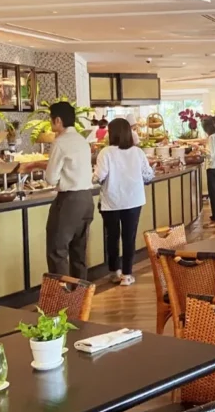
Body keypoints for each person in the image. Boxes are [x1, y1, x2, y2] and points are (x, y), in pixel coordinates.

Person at [94, 118, 154, 286]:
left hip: (111, 201)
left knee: (112, 237)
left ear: (112, 133)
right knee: (129, 237)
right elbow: (148, 176)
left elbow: (99, 176)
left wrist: (92, 176)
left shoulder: (105, 152)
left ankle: (114, 272)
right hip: (134, 200)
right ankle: (127, 275)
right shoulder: (137, 152)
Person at [44, 101, 95, 279]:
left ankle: (62, 302)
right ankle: (80, 299)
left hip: (69, 201)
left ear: (58, 120)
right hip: (87, 199)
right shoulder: (82, 140)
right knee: (78, 253)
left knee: (57, 252)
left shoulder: (60, 142)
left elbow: (51, 178)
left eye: (51, 119)